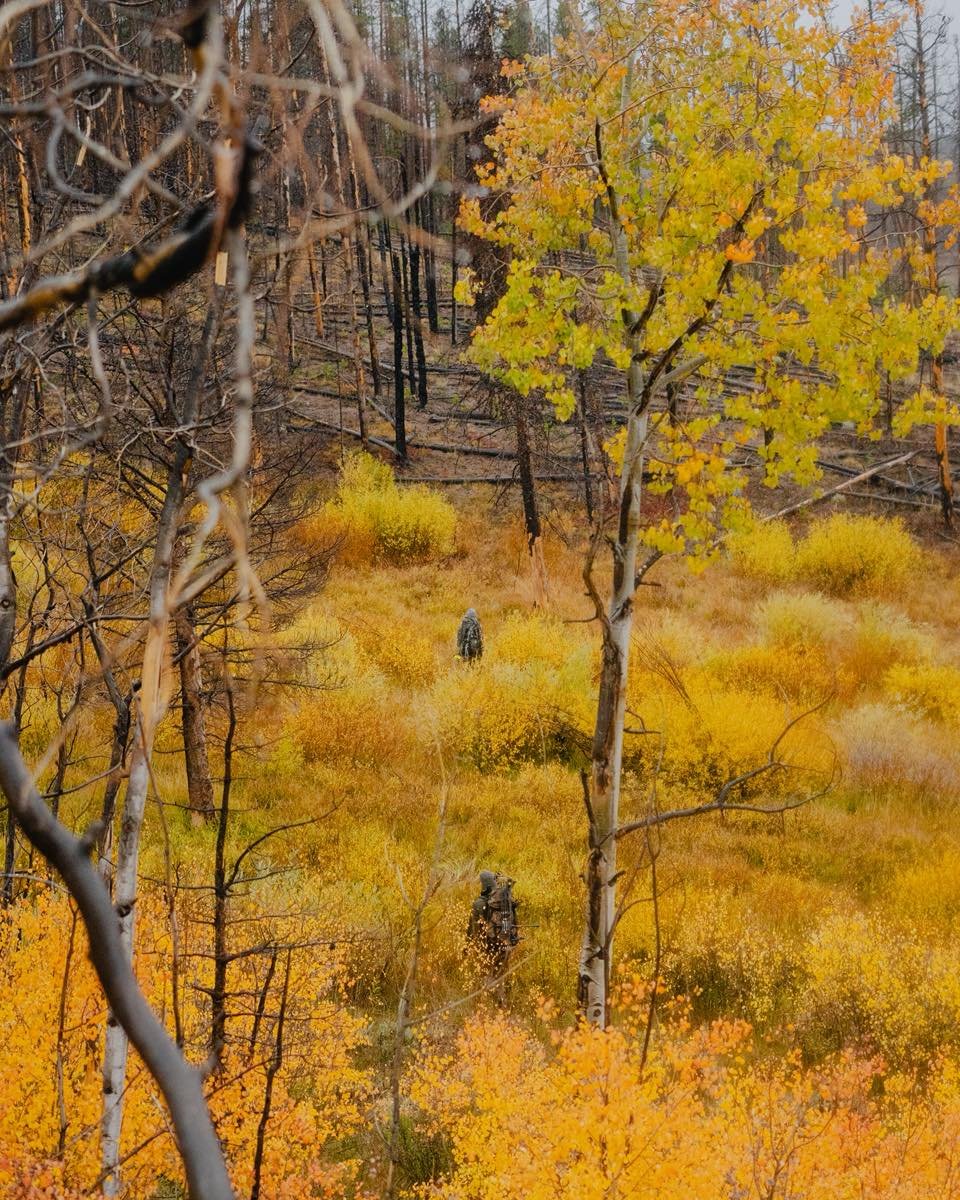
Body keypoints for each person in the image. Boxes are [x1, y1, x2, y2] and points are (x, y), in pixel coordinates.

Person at [467, 869, 519, 976]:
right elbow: (515, 922)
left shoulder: (479, 904)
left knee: (485, 976)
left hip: (487, 945)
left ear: (484, 885)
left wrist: (467, 947)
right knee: (501, 973)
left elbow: (472, 930)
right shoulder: (504, 901)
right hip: (505, 943)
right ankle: (502, 990)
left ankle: (489, 989)